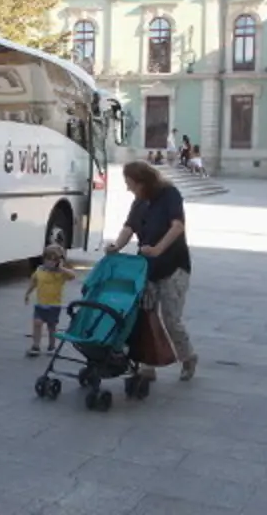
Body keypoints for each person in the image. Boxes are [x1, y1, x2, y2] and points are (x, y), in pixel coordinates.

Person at [105, 161, 197, 381]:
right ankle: (147, 365)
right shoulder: (139, 201)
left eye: (130, 184)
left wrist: (157, 249)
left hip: (173, 266)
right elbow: (129, 227)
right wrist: (116, 246)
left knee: (171, 319)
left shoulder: (169, 194)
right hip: (146, 268)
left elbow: (177, 226)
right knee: (144, 316)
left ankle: (188, 357)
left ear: (143, 182)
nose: (128, 189)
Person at [23, 244, 77, 357]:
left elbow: (73, 276)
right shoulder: (39, 271)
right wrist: (28, 293)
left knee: (51, 327)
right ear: (44, 259)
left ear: (59, 261)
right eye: (48, 259)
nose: (51, 262)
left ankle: (52, 346)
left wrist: (61, 268)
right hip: (40, 304)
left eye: (54, 260)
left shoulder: (61, 274)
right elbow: (34, 282)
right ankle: (36, 345)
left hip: (54, 305)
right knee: (37, 324)